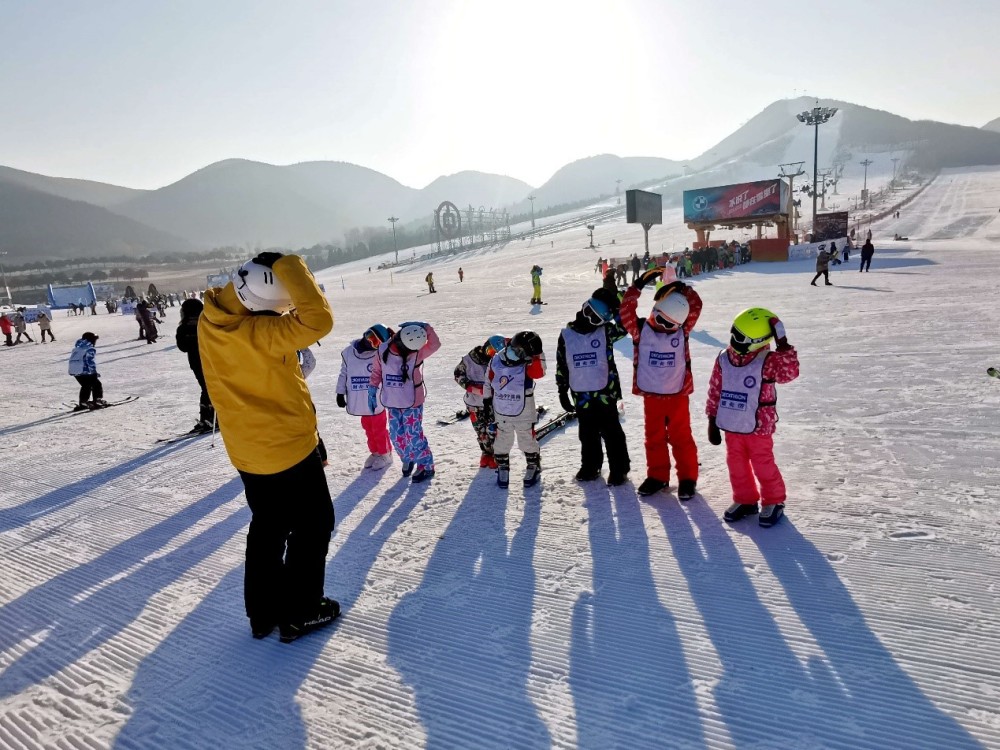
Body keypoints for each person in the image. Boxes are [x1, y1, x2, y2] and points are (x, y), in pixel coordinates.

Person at [199, 251, 339, 643]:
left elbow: (246, 292)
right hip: (287, 449)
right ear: (264, 309)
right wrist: (289, 264)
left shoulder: (213, 317)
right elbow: (319, 320)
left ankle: (263, 615)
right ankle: (302, 611)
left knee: (269, 527)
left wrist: (264, 275)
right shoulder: (260, 333)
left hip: (248, 451)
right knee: (313, 525)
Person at [706, 308, 799, 527]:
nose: (733, 341)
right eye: (733, 333)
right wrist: (712, 419)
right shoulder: (723, 359)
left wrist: (783, 345)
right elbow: (715, 389)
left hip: (759, 426)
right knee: (735, 463)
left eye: (739, 337)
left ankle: (774, 501)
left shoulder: (768, 360)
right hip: (731, 423)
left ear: (756, 341)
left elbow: (789, 374)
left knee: (762, 463)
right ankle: (745, 499)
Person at [620, 269, 703, 499]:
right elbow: (625, 310)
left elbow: (695, 305)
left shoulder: (682, 331)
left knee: (681, 437)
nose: (665, 328)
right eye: (661, 320)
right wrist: (637, 286)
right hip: (652, 396)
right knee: (654, 437)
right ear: (654, 312)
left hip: (677, 395)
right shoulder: (640, 331)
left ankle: (687, 478)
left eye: (670, 325)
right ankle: (657, 476)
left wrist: (680, 287)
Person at [556, 288, 630, 486]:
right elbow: (562, 363)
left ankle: (619, 468)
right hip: (581, 393)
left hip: (604, 390)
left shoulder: (606, 331)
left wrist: (617, 309)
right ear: (583, 307)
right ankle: (590, 466)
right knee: (587, 432)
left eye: (595, 319)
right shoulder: (566, 335)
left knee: (611, 430)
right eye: (587, 312)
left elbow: (625, 327)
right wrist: (562, 389)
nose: (589, 320)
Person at [369, 321, 441, 482]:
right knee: (397, 436)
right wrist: (372, 388)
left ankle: (426, 465)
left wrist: (427, 327)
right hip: (393, 401)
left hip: (412, 402)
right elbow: (377, 371)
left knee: (413, 435)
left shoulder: (416, 352)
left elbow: (435, 344)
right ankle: (407, 458)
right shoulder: (383, 350)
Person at [484, 331, 546, 488]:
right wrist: (486, 402)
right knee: (502, 440)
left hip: (523, 409)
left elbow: (539, 373)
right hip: (501, 408)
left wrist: (537, 355)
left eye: (521, 353)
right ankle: (503, 466)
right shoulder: (496, 359)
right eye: (515, 349)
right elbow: (488, 381)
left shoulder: (527, 363)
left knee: (527, 439)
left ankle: (533, 465)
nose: (516, 354)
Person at [336, 324, 394, 471]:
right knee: (368, 427)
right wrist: (340, 392)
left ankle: (385, 454)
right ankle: (375, 452)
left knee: (379, 428)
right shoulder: (349, 352)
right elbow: (344, 373)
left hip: (375, 398)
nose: (369, 342)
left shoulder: (381, 354)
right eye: (370, 336)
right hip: (359, 398)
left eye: (375, 342)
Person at [454, 334, 507, 469]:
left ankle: (496, 454)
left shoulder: (498, 362)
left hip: (492, 404)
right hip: (474, 403)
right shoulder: (468, 360)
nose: (491, 355)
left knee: (493, 430)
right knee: (480, 431)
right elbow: (458, 374)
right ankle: (486, 453)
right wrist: (471, 387)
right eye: (490, 351)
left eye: (495, 354)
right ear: (485, 346)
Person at [175, 298, 214, 431]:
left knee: (205, 388)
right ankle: (211, 417)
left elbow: (182, 347)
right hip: (211, 360)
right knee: (212, 387)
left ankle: (207, 417)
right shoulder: (207, 323)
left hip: (196, 362)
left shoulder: (183, 328)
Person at [68, 332, 107, 410]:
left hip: (75, 371)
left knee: (86, 386)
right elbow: (89, 361)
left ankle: (83, 403)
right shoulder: (89, 348)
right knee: (97, 384)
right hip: (85, 371)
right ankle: (97, 401)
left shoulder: (77, 348)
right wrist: (94, 372)